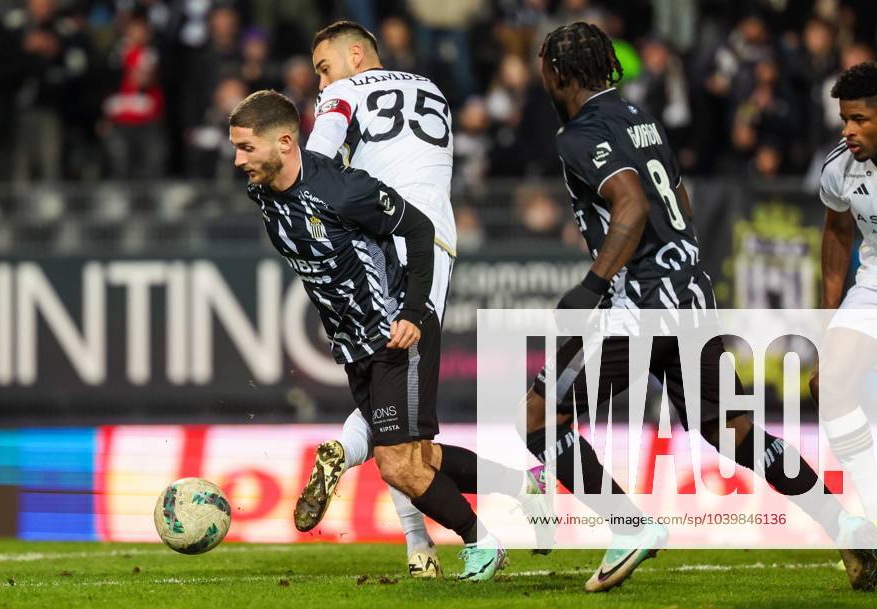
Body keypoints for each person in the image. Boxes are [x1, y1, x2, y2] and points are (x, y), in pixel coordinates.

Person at [526, 22, 877, 593]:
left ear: (557, 72)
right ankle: (846, 524)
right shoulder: (639, 117)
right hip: (690, 293)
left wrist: (593, 284)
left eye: (544, 64)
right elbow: (677, 196)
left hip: (640, 304)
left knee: (536, 417)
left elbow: (632, 204)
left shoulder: (578, 133)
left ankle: (629, 525)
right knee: (731, 428)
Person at [229, 89, 520, 581]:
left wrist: (412, 311)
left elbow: (421, 229)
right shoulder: (264, 186)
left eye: (246, 148)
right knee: (418, 458)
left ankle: (482, 544)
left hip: (393, 335)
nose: (238, 160)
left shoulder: (345, 191)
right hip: (351, 346)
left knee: (396, 464)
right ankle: (525, 486)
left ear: (282, 142)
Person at [295, 20, 546, 578]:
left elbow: (314, 165)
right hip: (434, 244)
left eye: (323, 67)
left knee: (395, 427)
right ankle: (491, 503)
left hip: (390, 246)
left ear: (355, 55)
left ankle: (440, 532)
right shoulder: (432, 91)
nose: (320, 81)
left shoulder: (340, 96)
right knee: (401, 430)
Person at [811, 61, 877, 525]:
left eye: (860, 120)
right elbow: (837, 233)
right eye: (844, 120)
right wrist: (829, 320)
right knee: (828, 383)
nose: (848, 131)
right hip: (874, 283)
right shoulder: (840, 167)